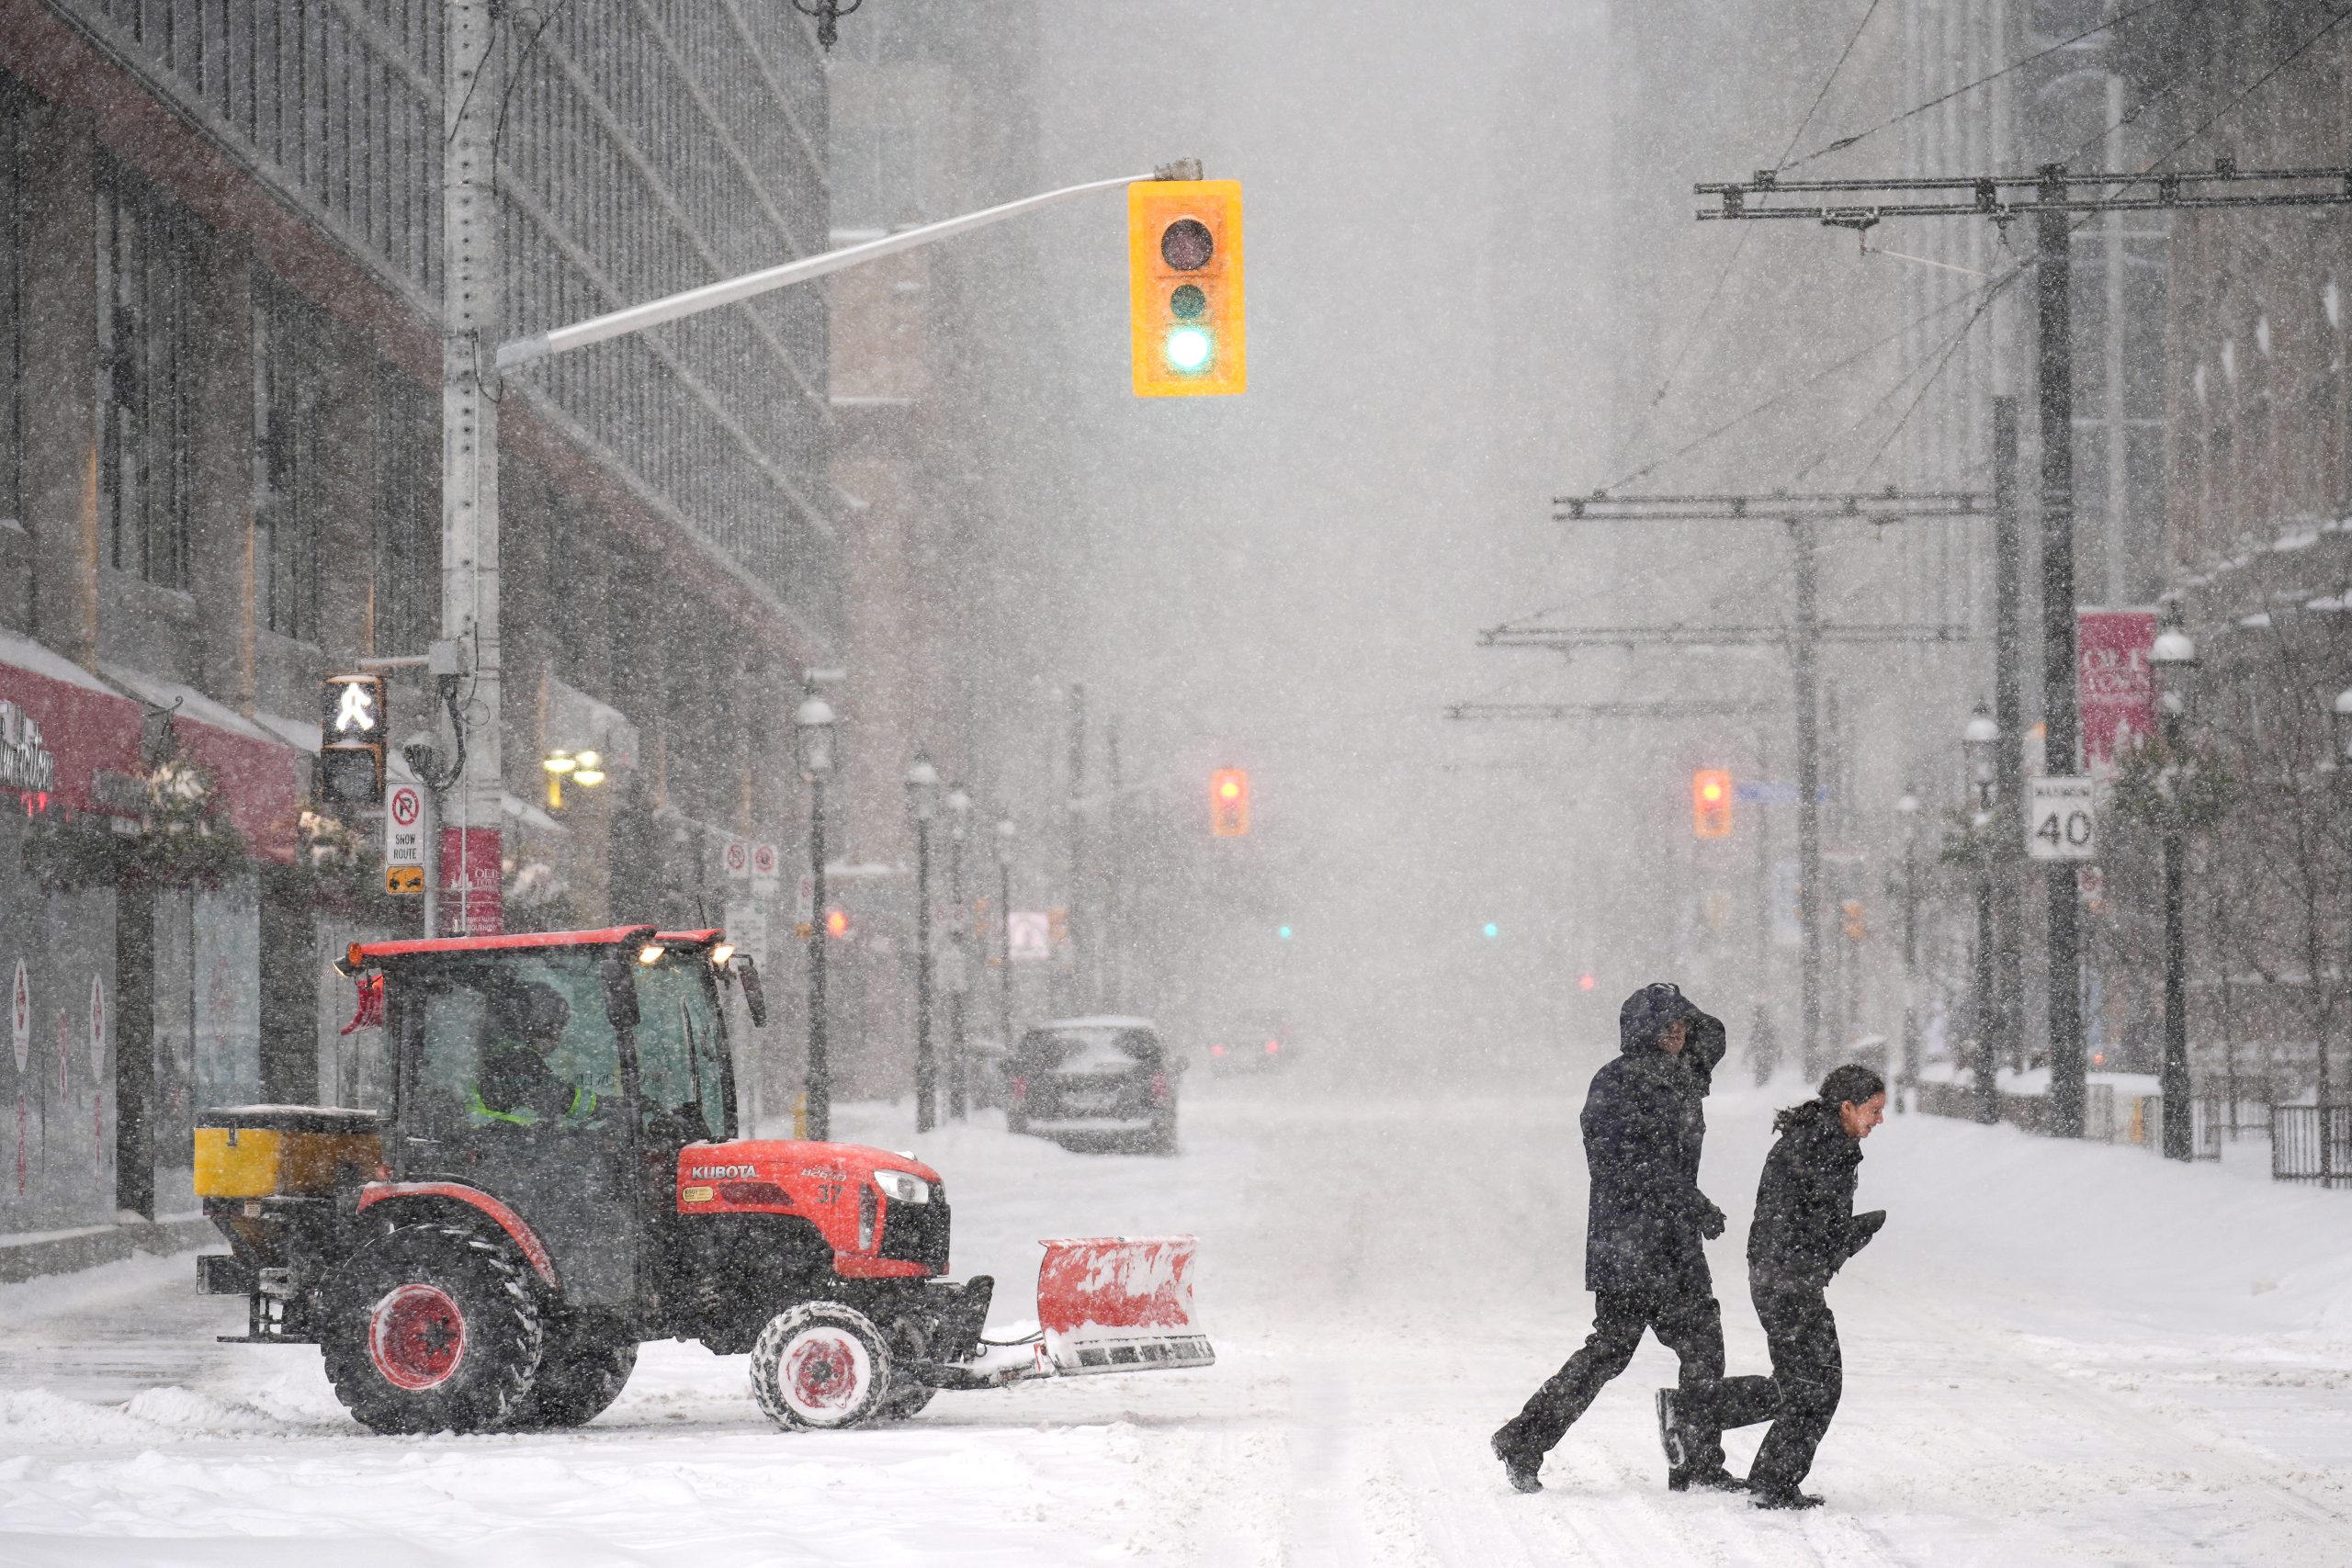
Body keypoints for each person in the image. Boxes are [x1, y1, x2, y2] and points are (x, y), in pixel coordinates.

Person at [1491, 982, 1777, 1495]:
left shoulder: (1683, 1081)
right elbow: (1630, 1166)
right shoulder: (1616, 1083)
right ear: (1641, 1029)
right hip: (1630, 1241)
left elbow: (1665, 1160)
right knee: (1611, 1351)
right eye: (1666, 1023)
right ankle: (1524, 1440)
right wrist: (1693, 1204)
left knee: (1701, 1345)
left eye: (1683, 1023)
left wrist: (1687, 1210)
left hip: (1674, 1243)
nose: (1677, 1031)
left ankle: (1697, 1460)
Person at [1743, 1063, 1889, 1510]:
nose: (1879, 1120)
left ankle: (1768, 1474)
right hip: (1787, 1282)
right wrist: (1853, 1235)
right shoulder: (1821, 1146)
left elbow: (1808, 1224)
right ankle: (1771, 1479)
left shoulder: (1823, 1140)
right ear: (1846, 1107)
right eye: (1874, 1110)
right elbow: (1808, 1228)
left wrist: (1840, 1239)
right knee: (1820, 1383)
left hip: (1782, 1277)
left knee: (1802, 1382)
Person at [469, 979, 594, 1127]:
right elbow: (562, 1099)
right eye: (557, 1026)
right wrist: (608, 1107)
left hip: (491, 1139)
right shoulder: (518, 1061)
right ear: (540, 1026)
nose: (558, 1036)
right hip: (498, 1144)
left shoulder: (499, 1055)